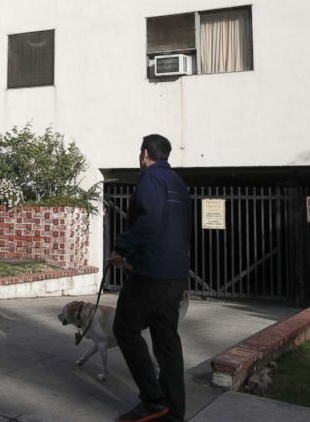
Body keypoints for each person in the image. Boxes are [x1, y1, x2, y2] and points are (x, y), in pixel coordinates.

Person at [109, 134, 191, 422]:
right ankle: (174, 410)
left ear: (145, 154)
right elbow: (172, 229)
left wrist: (121, 247)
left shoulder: (150, 179)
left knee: (125, 329)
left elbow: (149, 219)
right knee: (167, 341)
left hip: (152, 277)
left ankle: (153, 401)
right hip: (176, 277)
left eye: (140, 152)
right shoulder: (179, 184)